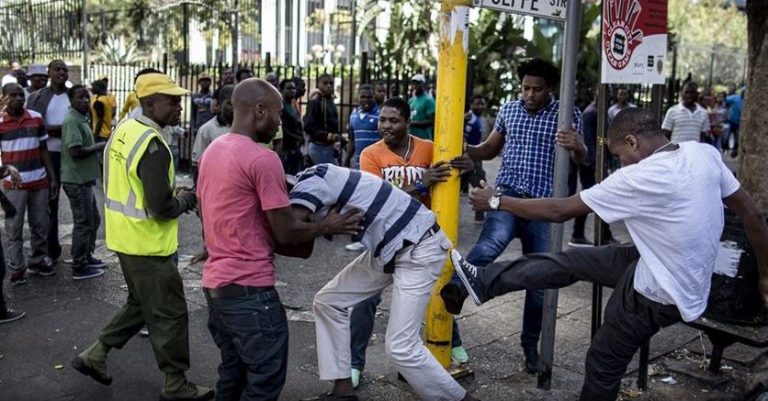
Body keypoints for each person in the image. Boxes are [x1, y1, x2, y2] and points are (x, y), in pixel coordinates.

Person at [445, 108, 768, 401]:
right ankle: (483, 282)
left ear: (632, 141)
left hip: (657, 291)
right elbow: (753, 215)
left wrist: (497, 201)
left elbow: (559, 210)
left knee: (603, 363)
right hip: (663, 262)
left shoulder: (639, 177)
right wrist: (766, 276)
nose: (621, 163)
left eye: (619, 155)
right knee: (568, 262)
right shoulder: (703, 153)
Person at [197, 78, 363, 401]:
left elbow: (214, 214)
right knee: (264, 382)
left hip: (216, 290)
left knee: (232, 376)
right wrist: (328, 225)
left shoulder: (213, 150)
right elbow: (286, 231)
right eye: (277, 114)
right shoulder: (263, 159)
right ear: (259, 111)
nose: (279, 123)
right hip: (251, 293)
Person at [72, 73, 213, 401]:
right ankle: (176, 384)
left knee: (140, 304)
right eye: (172, 101)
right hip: (149, 246)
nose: (179, 107)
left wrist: (170, 193)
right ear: (150, 104)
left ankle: (95, 354)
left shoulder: (125, 129)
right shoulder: (153, 144)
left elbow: (133, 186)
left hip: (125, 240)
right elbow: (161, 207)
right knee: (170, 313)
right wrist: (185, 199)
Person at [290, 163, 479, 401]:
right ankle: (342, 392)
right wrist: (323, 227)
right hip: (393, 249)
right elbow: (300, 244)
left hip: (418, 247)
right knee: (328, 301)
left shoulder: (309, 184)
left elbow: (288, 231)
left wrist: (323, 227)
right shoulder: (310, 181)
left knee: (401, 347)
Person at [449, 58, 586, 374]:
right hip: (506, 198)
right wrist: (463, 147)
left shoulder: (567, 114)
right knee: (489, 246)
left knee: (539, 280)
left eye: (537, 89)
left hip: (543, 207)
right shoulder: (509, 110)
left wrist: (579, 146)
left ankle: (530, 347)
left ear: (550, 89)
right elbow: (488, 150)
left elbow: (582, 159)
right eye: (526, 88)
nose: (530, 94)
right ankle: (456, 289)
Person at [343, 96, 473, 387]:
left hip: (421, 238)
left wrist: (468, 169)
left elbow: (452, 181)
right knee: (365, 299)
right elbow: (378, 200)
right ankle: (354, 363)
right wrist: (420, 184)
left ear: (407, 123)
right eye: (382, 120)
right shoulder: (370, 155)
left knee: (434, 290)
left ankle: (451, 340)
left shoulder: (428, 148)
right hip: (385, 238)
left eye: (393, 120)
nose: (386, 126)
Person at [0, 83, 57, 283]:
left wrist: (52, 178)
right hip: (13, 186)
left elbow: (43, 149)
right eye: (13, 95)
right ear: (4, 97)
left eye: (20, 95)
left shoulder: (36, 118)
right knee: (14, 228)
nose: (18, 98)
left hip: (39, 181)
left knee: (40, 224)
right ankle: (17, 267)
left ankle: (38, 260)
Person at [61, 85, 107, 280]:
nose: (86, 101)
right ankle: (79, 265)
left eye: (87, 97)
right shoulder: (72, 120)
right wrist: (98, 146)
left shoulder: (81, 117)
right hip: (76, 179)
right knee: (84, 223)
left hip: (84, 179)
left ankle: (87, 256)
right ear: (71, 100)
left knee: (93, 220)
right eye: (80, 97)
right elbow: (75, 151)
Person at [27, 59, 69, 263]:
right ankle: (50, 250)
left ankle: (84, 254)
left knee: (82, 205)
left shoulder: (74, 95)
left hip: (72, 156)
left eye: (65, 70)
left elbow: (82, 125)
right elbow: (33, 127)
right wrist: (62, 129)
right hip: (48, 156)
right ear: (49, 72)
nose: (62, 73)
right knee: (49, 204)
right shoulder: (37, 97)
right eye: (57, 69)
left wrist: (51, 129)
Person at [568, 87, 615, 247]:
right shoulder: (591, 113)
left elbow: (601, 138)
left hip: (595, 162)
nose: (608, 97)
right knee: (593, 198)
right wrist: (594, 163)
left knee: (596, 197)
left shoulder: (600, 112)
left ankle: (596, 234)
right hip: (590, 164)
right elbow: (588, 139)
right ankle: (583, 234)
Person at [191, 85, 234, 178]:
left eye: (237, 103)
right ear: (219, 104)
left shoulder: (246, 129)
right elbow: (197, 165)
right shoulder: (206, 130)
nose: (233, 108)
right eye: (230, 103)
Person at [462, 95, 488, 223]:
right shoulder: (468, 118)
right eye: (477, 104)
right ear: (472, 105)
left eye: (482, 104)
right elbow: (462, 135)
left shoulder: (477, 119)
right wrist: (466, 153)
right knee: (481, 185)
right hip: (470, 157)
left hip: (476, 156)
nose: (480, 106)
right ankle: (480, 217)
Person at [304, 74, 340, 165]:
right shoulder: (315, 102)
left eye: (331, 83)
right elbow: (308, 126)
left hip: (329, 147)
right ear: (318, 85)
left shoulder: (330, 100)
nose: (329, 86)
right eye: (325, 83)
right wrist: (328, 136)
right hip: (319, 147)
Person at [343, 84, 380, 169]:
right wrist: (347, 159)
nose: (366, 100)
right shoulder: (353, 115)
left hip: (375, 164)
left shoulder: (380, 115)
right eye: (363, 97)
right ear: (358, 97)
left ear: (374, 97)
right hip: (358, 164)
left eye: (369, 97)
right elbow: (352, 139)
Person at [279, 79, 304, 175]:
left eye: (293, 88)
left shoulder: (293, 105)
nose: (292, 91)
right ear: (282, 90)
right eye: (288, 88)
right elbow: (282, 128)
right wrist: (296, 138)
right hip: (285, 149)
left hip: (295, 147)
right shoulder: (281, 106)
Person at [407, 74, 435, 140]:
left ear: (423, 85)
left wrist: (413, 123)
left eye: (417, 83)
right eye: (413, 83)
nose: (415, 86)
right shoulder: (411, 100)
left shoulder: (429, 100)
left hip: (424, 138)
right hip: (410, 138)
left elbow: (432, 121)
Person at [90, 79, 117, 144]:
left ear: (98, 88)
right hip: (107, 132)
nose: (91, 89)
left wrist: (95, 135)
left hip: (100, 133)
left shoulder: (98, 102)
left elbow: (100, 120)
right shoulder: (108, 99)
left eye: (93, 87)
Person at [725, 88, 744, 158]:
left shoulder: (747, 101)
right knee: (726, 136)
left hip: (739, 123)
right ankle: (726, 149)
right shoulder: (735, 98)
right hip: (731, 121)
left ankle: (734, 152)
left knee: (737, 139)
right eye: (743, 92)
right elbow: (726, 99)